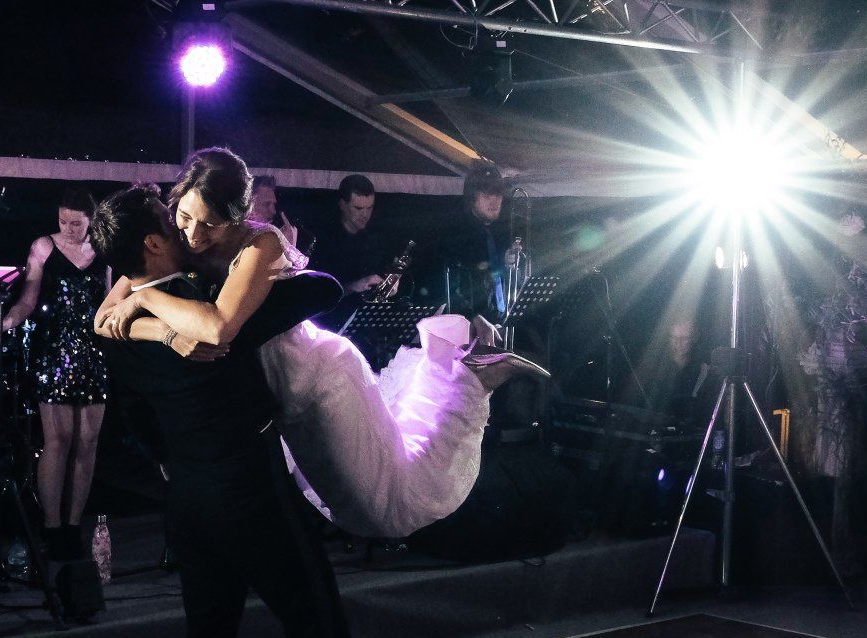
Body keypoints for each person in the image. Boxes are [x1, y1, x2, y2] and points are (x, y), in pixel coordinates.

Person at [89, 184, 372, 638]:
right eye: (173, 222)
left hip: (188, 500)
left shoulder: (116, 324)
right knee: (323, 633)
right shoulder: (208, 310)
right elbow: (325, 291)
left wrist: (141, 297)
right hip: (249, 491)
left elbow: (135, 416)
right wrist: (267, 247)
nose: (189, 230)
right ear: (154, 242)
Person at [97, 147, 543, 539]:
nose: (193, 233)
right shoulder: (179, 236)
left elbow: (217, 328)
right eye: (185, 217)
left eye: (209, 224)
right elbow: (103, 319)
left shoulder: (261, 243)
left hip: (322, 380)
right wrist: (163, 328)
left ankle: (474, 377)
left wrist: (146, 298)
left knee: (387, 503)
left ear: (235, 215)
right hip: (284, 396)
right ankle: (468, 369)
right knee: (356, 502)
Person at [0, 187, 109, 620]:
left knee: (87, 441)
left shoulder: (103, 248)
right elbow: (29, 297)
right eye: (64, 220)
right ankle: (52, 526)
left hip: (93, 350)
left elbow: (111, 301)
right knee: (58, 439)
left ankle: (73, 525)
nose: (69, 228)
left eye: (77, 222)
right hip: (54, 348)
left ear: (91, 220)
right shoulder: (43, 246)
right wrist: (8, 320)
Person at [429, 159, 524, 321]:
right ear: (472, 198)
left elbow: (504, 282)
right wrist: (474, 317)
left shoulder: (501, 233)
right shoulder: (457, 235)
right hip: (471, 325)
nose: (494, 201)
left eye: (498, 195)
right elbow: (447, 289)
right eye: (486, 195)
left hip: (499, 319)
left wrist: (511, 266)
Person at [307, 174, 392, 330]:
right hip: (330, 327)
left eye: (369, 208)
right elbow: (317, 296)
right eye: (358, 208)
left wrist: (389, 283)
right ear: (342, 205)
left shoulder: (374, 239)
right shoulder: (323, 240)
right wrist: (353, 286)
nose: (365, 215)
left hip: (366, 326)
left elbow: (382, 273)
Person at [247, 174, 306, 254]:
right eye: (266, 204)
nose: (273, 211)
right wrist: (287, 248)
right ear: (247, 204)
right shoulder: (236, 240)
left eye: (273, 204)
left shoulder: (268, 237)